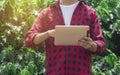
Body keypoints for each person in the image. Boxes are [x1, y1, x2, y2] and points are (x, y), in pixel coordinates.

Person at [24, 0, 106, 75]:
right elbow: (29, 39)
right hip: (54, 71)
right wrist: (48, 34)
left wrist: (92, 45)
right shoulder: (47, 13)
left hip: (81, 71)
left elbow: (101, 44)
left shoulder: (90, 13)